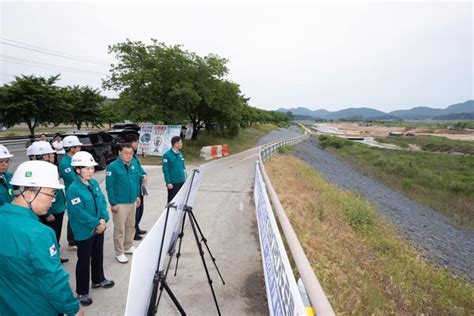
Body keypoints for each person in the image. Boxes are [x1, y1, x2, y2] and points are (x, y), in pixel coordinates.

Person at [0, 160, 80, 315]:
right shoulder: (39, 233)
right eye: (51, 193)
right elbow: (53, 281)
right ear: (29, 194)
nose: (53, 200)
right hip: (37, 309)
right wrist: (72, 309)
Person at [67, 151, 114, 306]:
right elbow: (79, 213)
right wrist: (97, 224)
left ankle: (98, 279)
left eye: (92, 168)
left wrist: (103, 219)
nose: (90, 171)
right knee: (84, 260)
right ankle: (82, 291)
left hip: (98, 227)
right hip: (84, 231)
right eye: (86, 168)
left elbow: (101, 202)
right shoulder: (73, 189)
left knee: (98, 255)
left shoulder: (93, 183)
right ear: (77, 170)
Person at [27, 141, 70, 264]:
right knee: (49, 236)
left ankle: (56, 253)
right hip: (50, 211)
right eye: (50, 154)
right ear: (43, 156)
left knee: (55, 234)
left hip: (58, 207)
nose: (53, 156)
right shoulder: (36, 172)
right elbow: (37, 197)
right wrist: (46, 214)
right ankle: (51, 258)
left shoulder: (50, 168)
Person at [106, 144, 141, 264]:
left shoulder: (133, 165)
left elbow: (136, 181)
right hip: (120, 203)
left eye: (131, 153)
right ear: (120, 152)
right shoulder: (113, 167)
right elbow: (109, 186)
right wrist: (113, 203)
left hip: (132, 201)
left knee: (131, 226)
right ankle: (119, 252)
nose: (128, 155)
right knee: (119, 229)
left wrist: (137, 196)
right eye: (126, 153)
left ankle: (128, 246)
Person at [59, 135, 83, 250]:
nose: (79, 148)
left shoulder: (73, 160)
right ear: (71, 148)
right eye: (77, 146)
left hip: (79, 191)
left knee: (78, 215)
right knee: (73, 216)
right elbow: (74, 178)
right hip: (72, 192)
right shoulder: (65, 163)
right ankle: (72, 241)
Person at [126, 134, 148, 241]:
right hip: (134, 187)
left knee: (140, 209)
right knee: (135, 211)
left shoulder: (134, 156)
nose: (138, 144)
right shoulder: (128, 158)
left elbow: (140, 169)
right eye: (137, 142)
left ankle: (137, 227)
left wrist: (145, 174)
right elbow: (133, 173)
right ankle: (133, 232)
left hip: (139, 186)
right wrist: (141, 176)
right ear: (132, 143)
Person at [162, 136, 186, 203]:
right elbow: (165, 170)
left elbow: (183, 168)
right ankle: (168, 213)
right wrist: (168, 182)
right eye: (181, 142)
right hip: (173, 183)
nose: (182, 144)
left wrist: (185, 179)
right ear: (176, 144)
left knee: (181, 201)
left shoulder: (180, 154)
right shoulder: (167, 155)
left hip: (182, 181)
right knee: (172, 202)